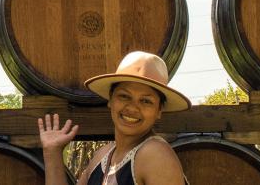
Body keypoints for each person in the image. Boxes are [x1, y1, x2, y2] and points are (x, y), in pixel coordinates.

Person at [37, 52, 191, 185]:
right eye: (124, 96)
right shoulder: (103, 155)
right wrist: (52, 152)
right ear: (110, 100)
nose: (132, 108)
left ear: (159, 110)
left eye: (146, 101)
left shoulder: (155, 155)